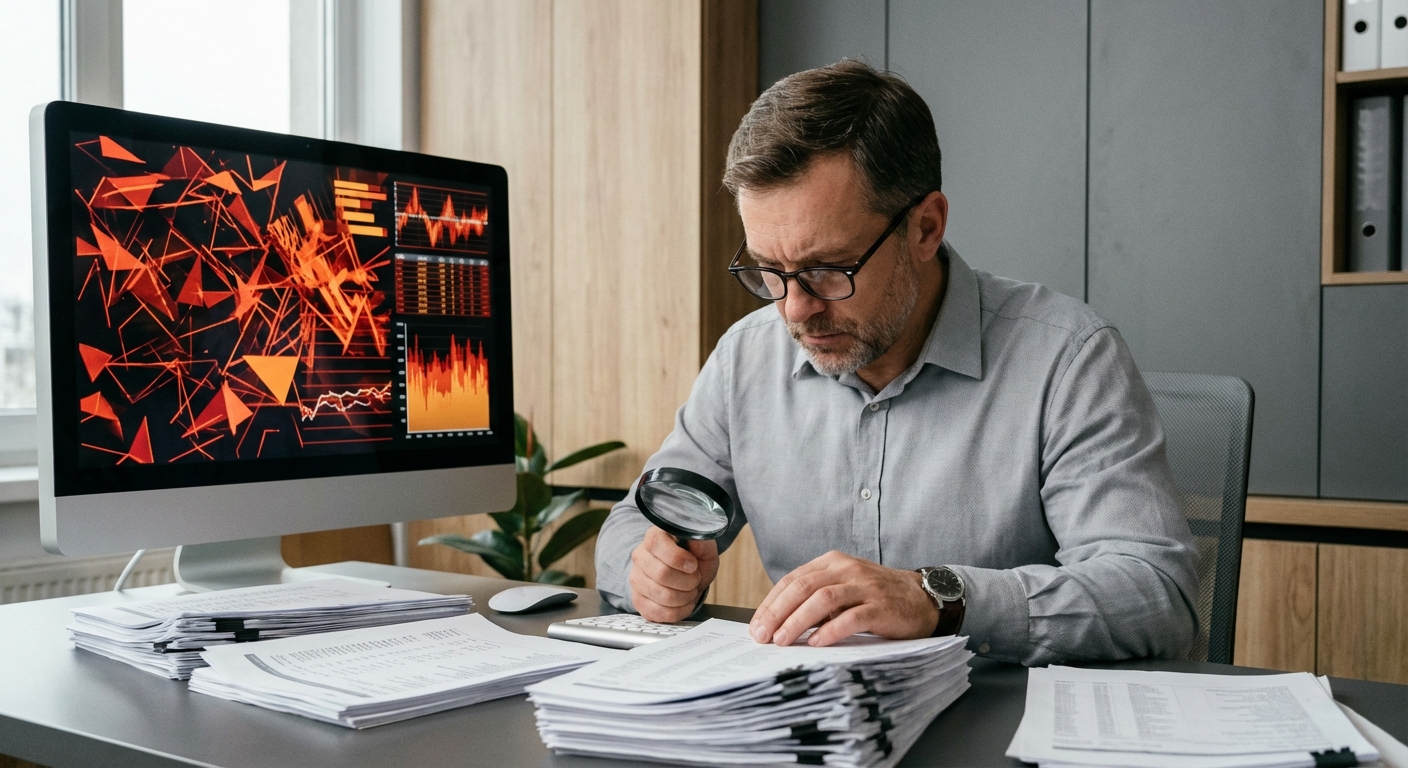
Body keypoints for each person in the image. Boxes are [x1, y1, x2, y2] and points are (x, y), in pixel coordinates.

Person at [593, 59, 1198, 666]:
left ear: (925, 228)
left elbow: (1155, 595)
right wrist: (652, 574)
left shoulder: (1067, 358)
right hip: (805, 711)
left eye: (828, 269)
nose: (795, 310)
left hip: (996, 712)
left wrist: (939, 599)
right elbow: (632, 527)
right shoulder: (746, 359)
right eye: (768, 271)